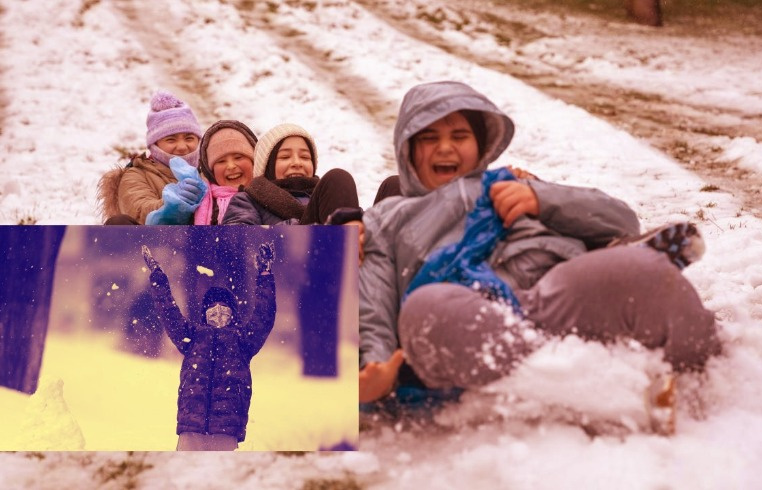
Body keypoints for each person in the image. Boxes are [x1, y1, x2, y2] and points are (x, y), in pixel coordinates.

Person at [358, 80, 721, 406]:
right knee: (426, 310)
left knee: (641, 271)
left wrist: (541, 198)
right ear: (408, 149)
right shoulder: (387, 219)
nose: (445, 148)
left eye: (459, 135)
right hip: (470, 315)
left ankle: (697, 377)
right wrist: (375, 363)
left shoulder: (511, 183)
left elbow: (620, 219)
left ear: (480, 142)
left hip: (555, 294)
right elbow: (373, 298)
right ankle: (603, 389)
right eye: (429, 138)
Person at [142, 242, 277, 451]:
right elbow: (169, 313)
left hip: (227, 428)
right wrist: (158, 278)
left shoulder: (243, 340)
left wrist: (265, 275)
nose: (218, 313)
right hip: (191, 428)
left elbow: (264, 316)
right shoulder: (193, 336)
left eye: (224, 309)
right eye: (212, 309)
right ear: (204, 314)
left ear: (233, 314)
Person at [97, 90, 206, 225]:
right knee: (118, 223)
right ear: (155, 143)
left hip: (208, 243)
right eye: (171, 140)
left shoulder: (210, 172)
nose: (182, 146)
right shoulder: (137, 175)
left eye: (189, 138)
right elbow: (139, 211)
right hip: (155, 243)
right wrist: (172, 203)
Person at [222, 123, 359, 225]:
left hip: (343, 255)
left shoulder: (329, 194)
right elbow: (236, 243)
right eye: (285, 157)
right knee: (337, 178)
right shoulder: (247, 201)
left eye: (305, 157)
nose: (297, 163)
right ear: (268, 165)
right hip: (289, 258)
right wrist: (310, 229)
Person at [193, 120, 258, 225]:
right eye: (221, 161)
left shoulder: (270, 197)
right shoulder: (196, 203)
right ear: (211, 171)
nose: (231, 166)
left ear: (254, 161)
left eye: (238, 157)